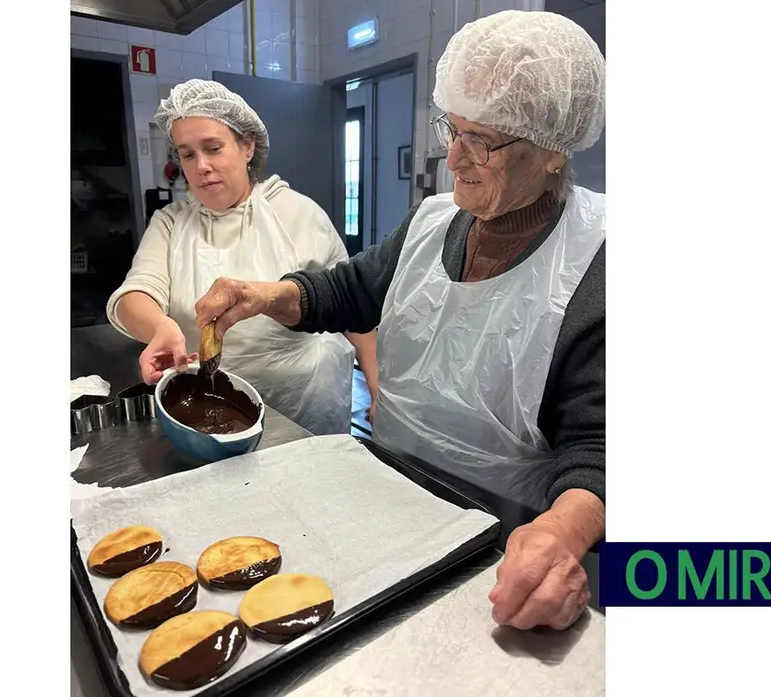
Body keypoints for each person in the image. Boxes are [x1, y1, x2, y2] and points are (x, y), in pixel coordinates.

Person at [193, 11, 605, 631]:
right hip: (387, 496)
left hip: (503, 540)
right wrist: (264, 295)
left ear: (553, 150)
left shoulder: (597, 267)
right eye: (452, 128)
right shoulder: (432, 222)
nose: (453, 154)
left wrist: (562, 533)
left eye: (482, 140)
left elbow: (598, 449)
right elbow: (348, 292)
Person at [106, 79, 379, 436]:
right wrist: (161, 327)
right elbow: (134, 295)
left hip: (304, 405)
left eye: (213, 148)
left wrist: (377, 390)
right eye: (187, 154)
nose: (201, 165)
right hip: (204, 409)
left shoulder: (299, 214)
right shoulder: (171, 223)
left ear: (247, 146)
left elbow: (350, 308)